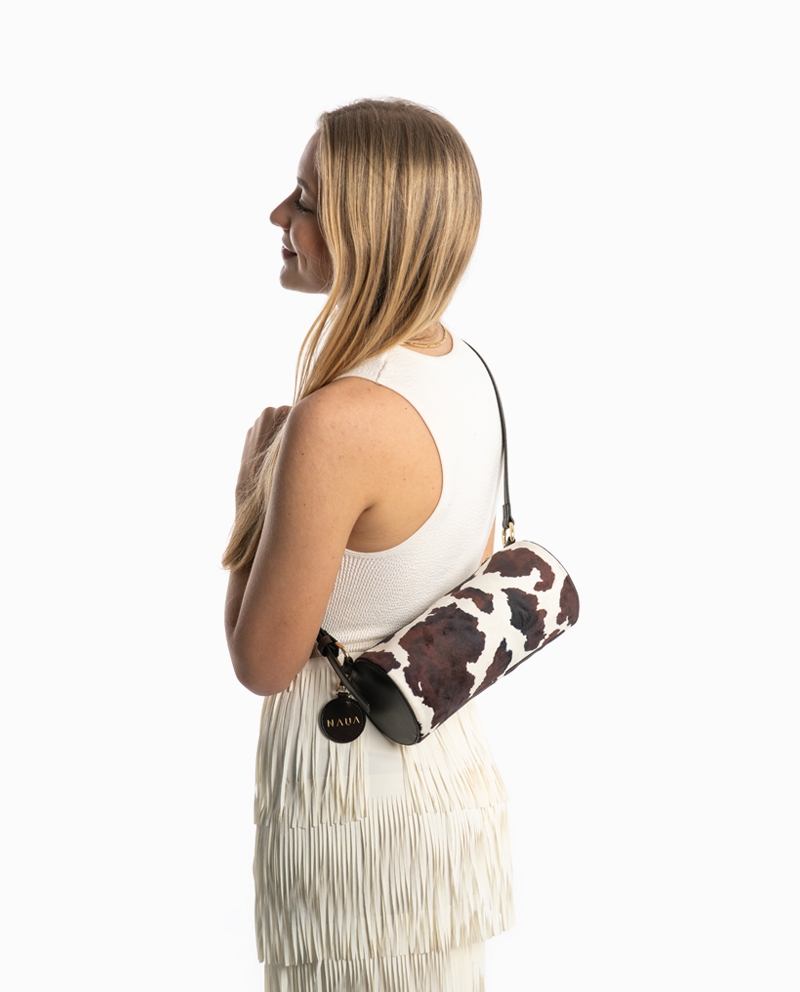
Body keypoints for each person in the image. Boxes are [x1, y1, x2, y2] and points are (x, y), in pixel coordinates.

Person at [224, 98, 513, 992]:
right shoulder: (463, 367)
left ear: (369, 231)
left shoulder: (340, 419)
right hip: (443, 777)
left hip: (356, 809)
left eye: (307, 200)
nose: (280, 214)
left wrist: (250, 496)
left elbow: (263, 662)